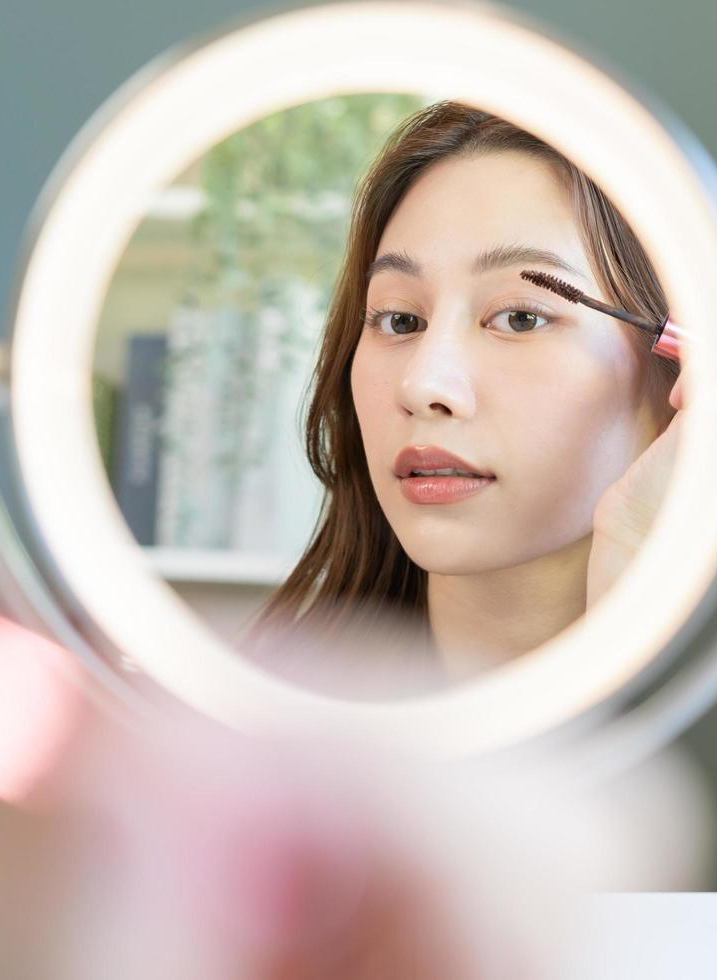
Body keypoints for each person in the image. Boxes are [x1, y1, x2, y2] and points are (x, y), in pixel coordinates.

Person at [249, 101, 686, 683]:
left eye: (521, 319)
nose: (424, 383)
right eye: (400, 320)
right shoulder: (255, 735)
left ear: (680, 371)